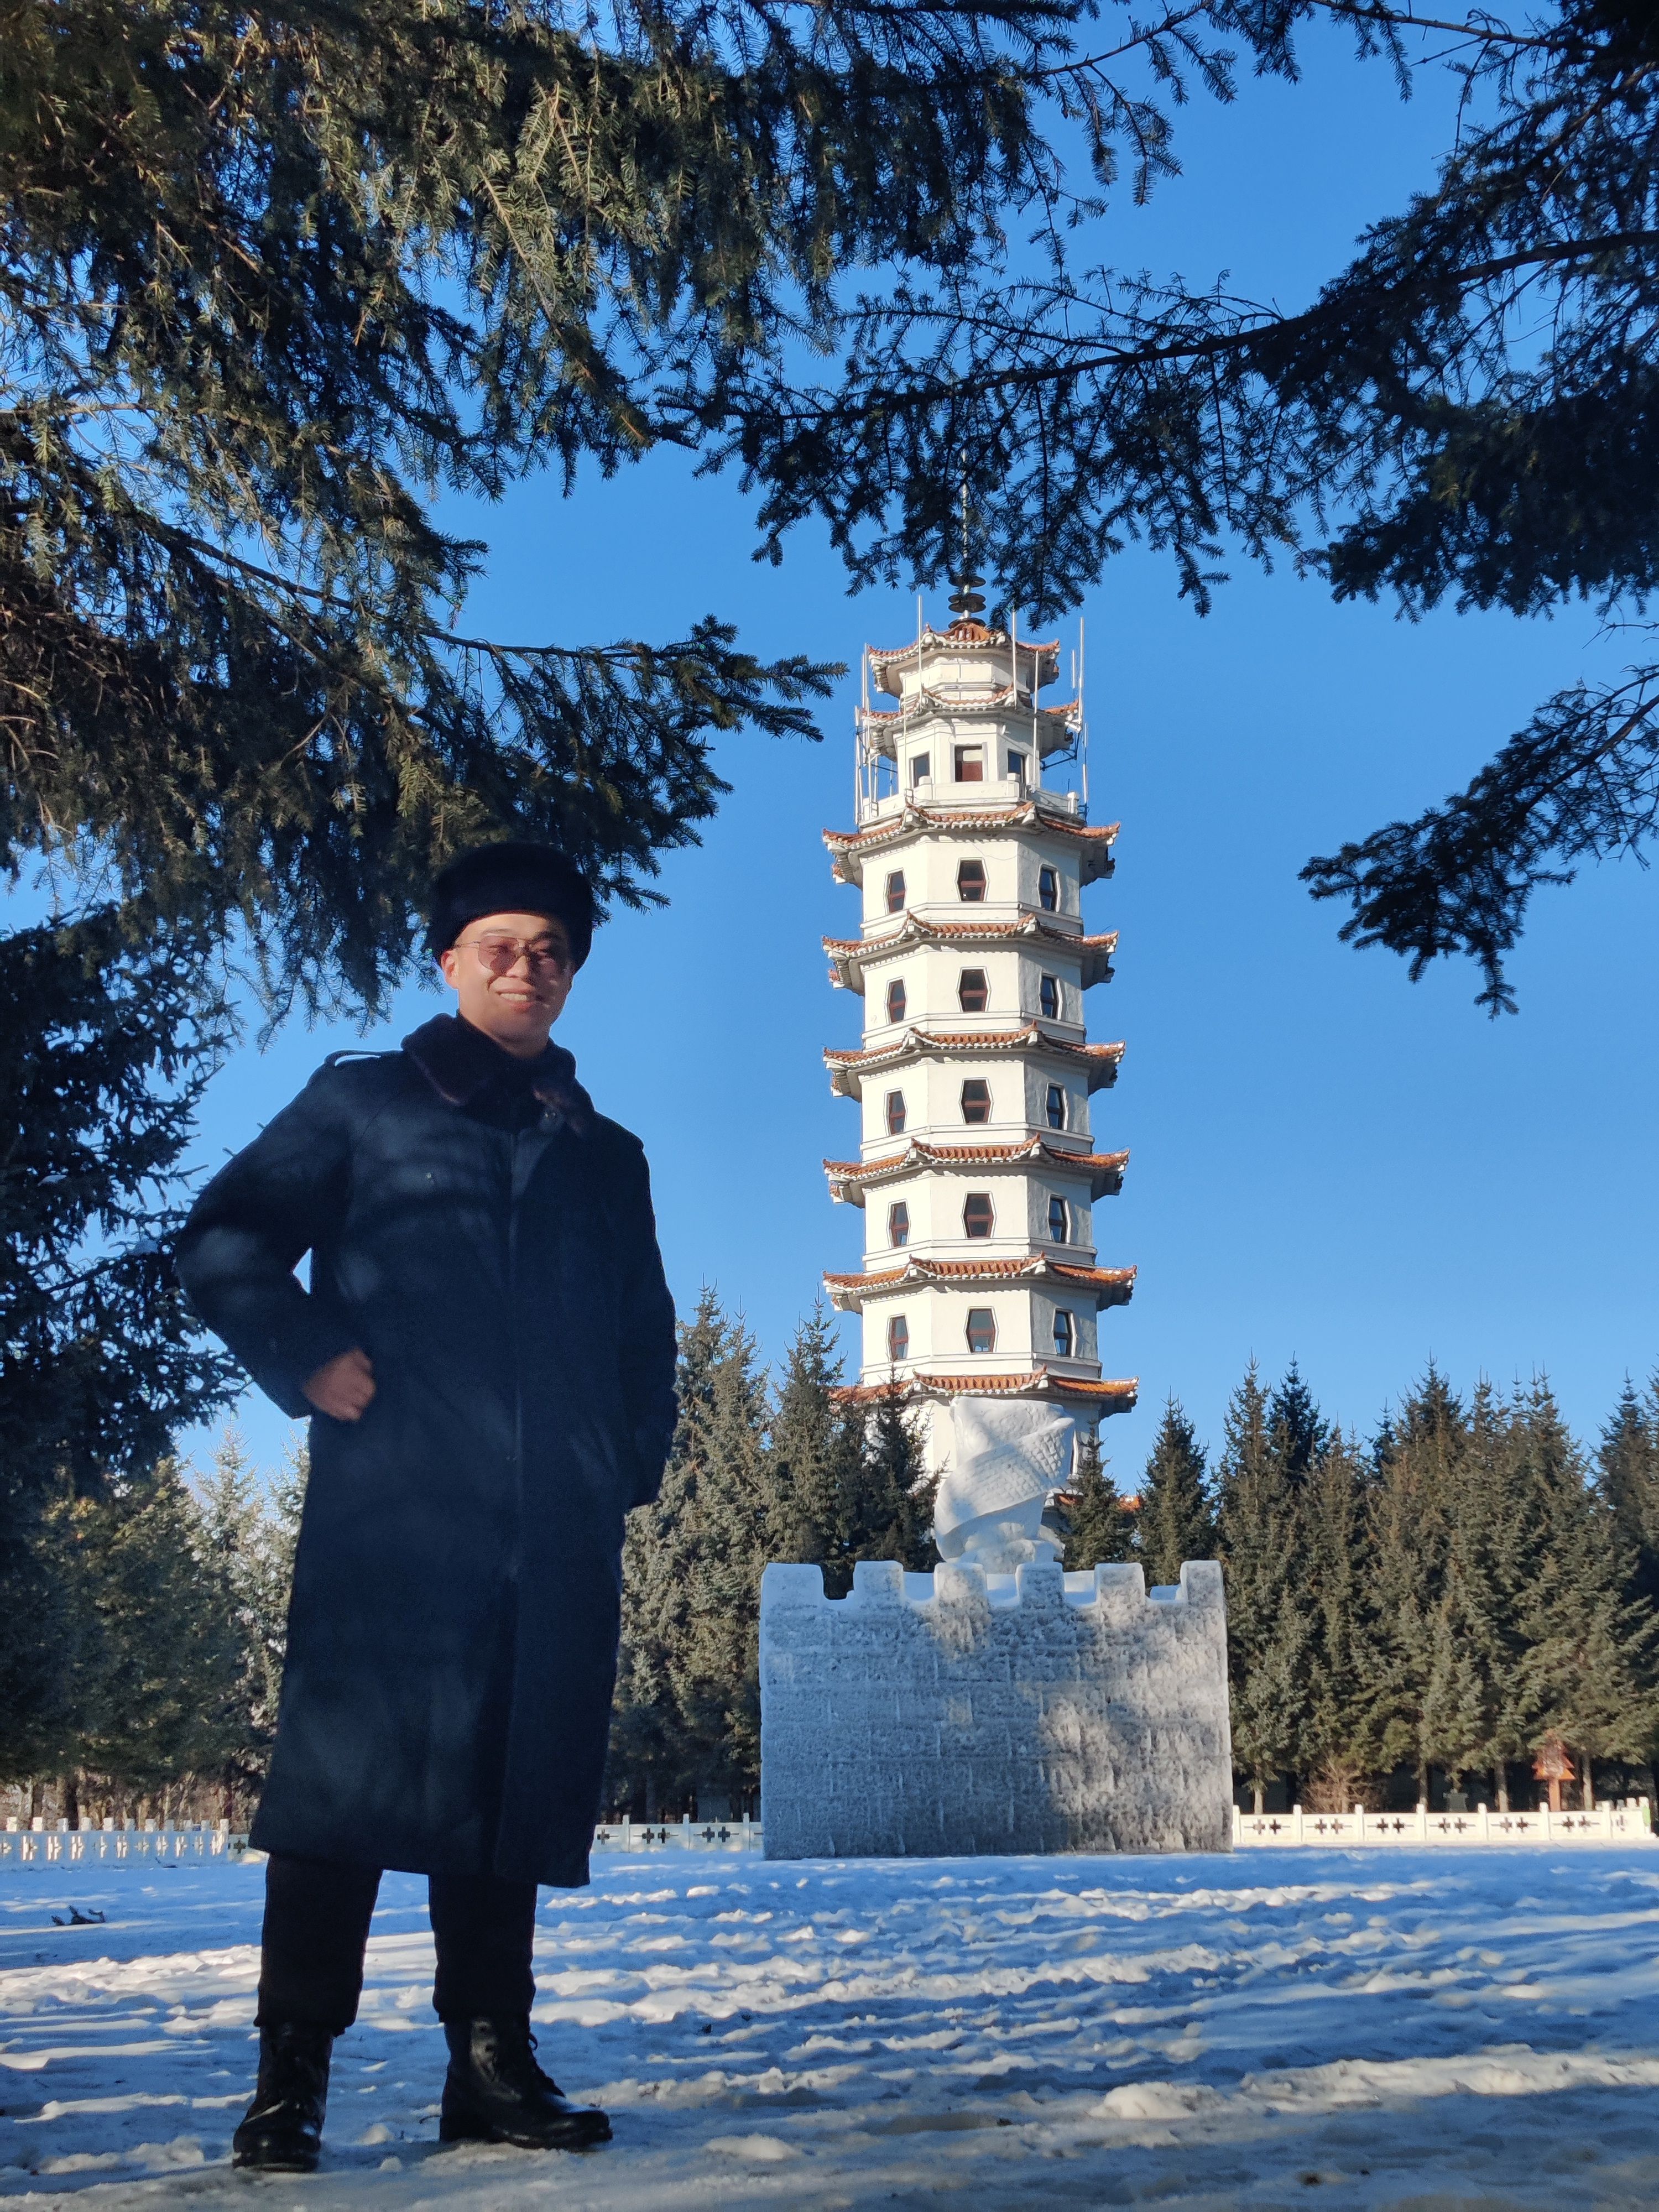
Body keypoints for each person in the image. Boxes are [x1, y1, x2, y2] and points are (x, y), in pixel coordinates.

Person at [175, 843, 678, 2171]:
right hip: (392, 1511)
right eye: (502, 945)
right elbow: (224, 1235)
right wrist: (304, 1353)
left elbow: (645, 1333)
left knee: (511, 1789)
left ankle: (491, 2062)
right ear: (451, 961)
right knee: (340, 1790)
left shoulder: (606, 1155)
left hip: (550, 1528)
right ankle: (291, 2074)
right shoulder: (365, 1104)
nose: (530, 967)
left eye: (553, 950)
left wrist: (618, 1464)